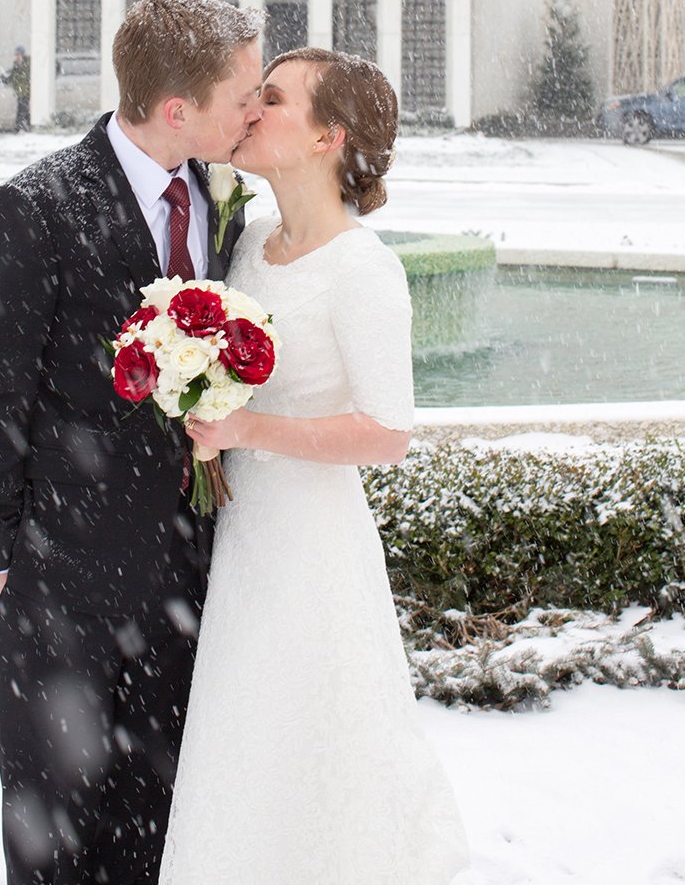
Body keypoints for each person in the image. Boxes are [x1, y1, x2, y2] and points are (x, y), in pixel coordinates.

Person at [0, 0, 263, 885]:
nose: (254, 109)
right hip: (63, 588)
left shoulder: (225, 197)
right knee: (56, 840)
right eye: (241, 94)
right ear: (178, 110)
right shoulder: (34, 209)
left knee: (158, 830)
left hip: (191, 580)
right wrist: (1, 556)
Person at [161, 48, 471, 885]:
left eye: (273, 99)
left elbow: (386, 431)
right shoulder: (253, 241)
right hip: (243, 538)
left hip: (310, 548)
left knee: (313, 739)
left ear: (329, 136)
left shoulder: (364, 270)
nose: (251, 111)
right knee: (245, 736)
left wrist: (247, 427)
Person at [10, 44, 31, 131]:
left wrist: (21, 66)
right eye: (16, 55)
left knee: (22, 110)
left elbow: (26, 76)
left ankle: (18, 127)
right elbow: (13, 77)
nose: (17, 57)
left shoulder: (28, 62)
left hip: (26, 91)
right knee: (23, 110)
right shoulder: (15, 64)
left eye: (19, 54)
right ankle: (26, 125)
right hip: (20, 91)